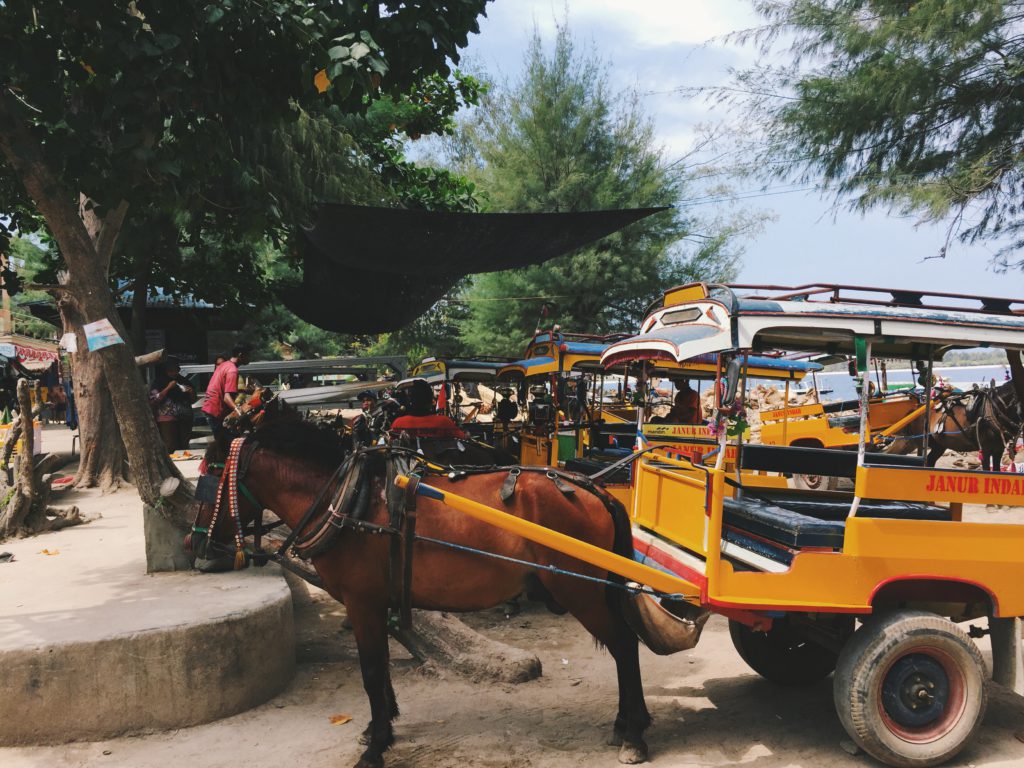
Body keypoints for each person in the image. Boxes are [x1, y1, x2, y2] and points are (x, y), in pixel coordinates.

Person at [201, 342, 252, 441]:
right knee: (226, 445)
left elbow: (221, 388)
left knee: (224, 444)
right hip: (216, 411)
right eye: (248, 355)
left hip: (210, 408)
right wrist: (240, 412)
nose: (250, 358)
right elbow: (227, 397)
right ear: (240, 355)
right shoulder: (232, 370)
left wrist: (244, 390)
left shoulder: (224, 365)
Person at [149, 357, 197, 453]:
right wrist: (168, 388)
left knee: (183, 444)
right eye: (171, 370)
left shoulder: (184, 381)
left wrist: (191, 392)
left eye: (176, 370)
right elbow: (154, 399)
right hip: (167, 417)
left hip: (185, 417)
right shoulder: (158, 382)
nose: (174, 373)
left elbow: (192, 400)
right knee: (170, 444)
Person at [390, 379, 466, 439]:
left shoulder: (398, 423)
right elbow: (463, 438)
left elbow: (391, 448)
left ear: (411, 401)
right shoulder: (444, 422)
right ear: (431, 401)